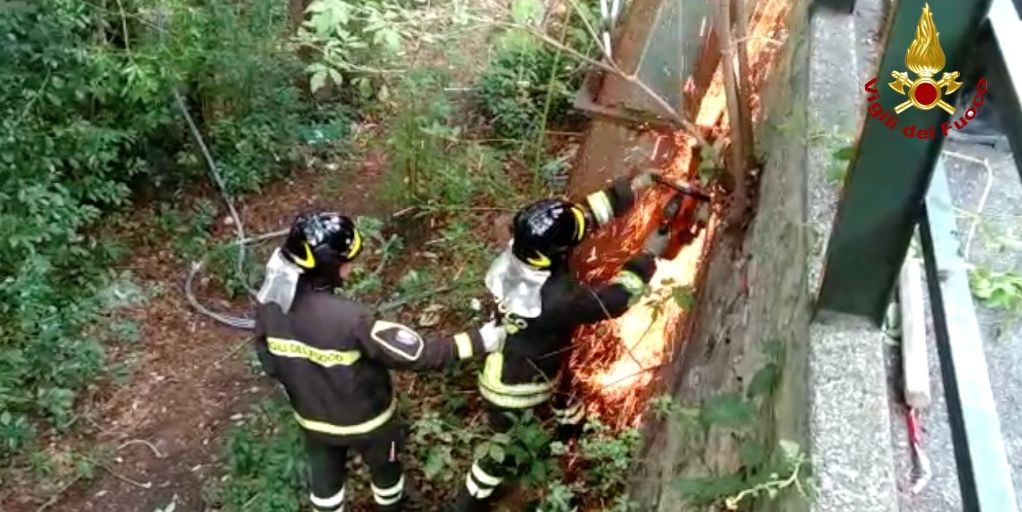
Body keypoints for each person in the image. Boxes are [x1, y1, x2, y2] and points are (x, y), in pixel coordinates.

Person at [253, 211, 507, 512]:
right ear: (328, 268)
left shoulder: (268, 307)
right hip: (371, 425)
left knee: (324, 485)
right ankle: (390, 507)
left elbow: (269, 363)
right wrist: (483, 340)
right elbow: (418, 354)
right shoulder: (350, 319)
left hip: (313, 424)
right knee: (386, 471)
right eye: (347, 263)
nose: (352, 268)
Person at [449, 172, 670, 511]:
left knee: (567, 394)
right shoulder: (557, 298)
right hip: (516, 390)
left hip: (522, 357)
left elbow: (580, 218)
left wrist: (635, 186)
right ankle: (466, 503)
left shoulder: (520, 253)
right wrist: (649, 255)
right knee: (502, 451)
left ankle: (571, 433)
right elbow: (615, 300)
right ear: (557, 254)